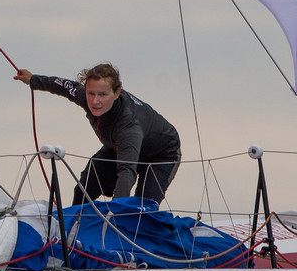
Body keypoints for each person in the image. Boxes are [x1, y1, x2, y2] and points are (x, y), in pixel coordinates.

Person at [15, 63, 182, 206]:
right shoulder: (85, 97)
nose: (95, 101)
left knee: (142, 209)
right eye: (91, 93)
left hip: (161, 154)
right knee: (83, 191)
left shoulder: (128, 125)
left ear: (116, 93)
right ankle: (75, 234)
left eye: (103, 95)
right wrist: (33, 80)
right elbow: (63, 86)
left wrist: (117, 212)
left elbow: (126, 171)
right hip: (117, 147)